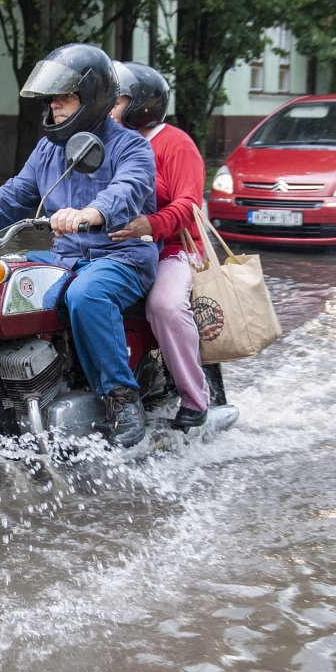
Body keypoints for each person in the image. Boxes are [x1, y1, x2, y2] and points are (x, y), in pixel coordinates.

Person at [0, 43, 158, 448]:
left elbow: (128, 189)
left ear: (92, 97)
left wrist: (91, 212)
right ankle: (8, 392)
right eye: (52, 98)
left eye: (65, 97)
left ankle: (121, 398)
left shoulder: (131, 146)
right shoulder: (48, 149)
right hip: (66, 256)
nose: (54, 106)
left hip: (119, 257)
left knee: (87, 296)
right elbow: (12, 196)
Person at [108, 61, 210, 430]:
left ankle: (195, 397)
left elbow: (188, 205)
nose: (108, 109)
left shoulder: (174, 143)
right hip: (120, 249)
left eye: (116, 101)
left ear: (141, 104)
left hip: (174, 247)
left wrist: (150, 224)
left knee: (164, 304)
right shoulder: (109, 143)